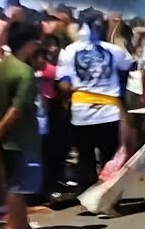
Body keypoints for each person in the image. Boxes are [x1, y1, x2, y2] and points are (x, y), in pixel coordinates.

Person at [57, 10, 134, 188]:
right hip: (109, 114)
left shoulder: (68, 51)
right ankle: (106, 198)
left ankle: (89, 197)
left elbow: (63, 84)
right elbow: (131, 65)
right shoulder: (114, 50)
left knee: (85, 158)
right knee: (110, 159)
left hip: (82, 113)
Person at [0, 22, 43, 229]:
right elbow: (18, 107)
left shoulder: (2, 66)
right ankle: (15, 226)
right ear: (28, 45)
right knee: (19, 184)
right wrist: (1, 127)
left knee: (12, 180)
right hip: (21, 135)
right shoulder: (25, 72)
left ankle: (20, 223)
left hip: (5, 135)